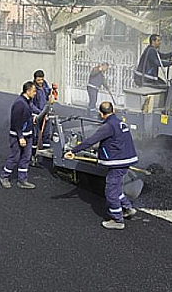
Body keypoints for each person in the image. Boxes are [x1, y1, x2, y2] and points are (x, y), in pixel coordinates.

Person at [64, 102, 139, 230]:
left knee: (110, 191)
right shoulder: (120, 123)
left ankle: (117, 219)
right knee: (116, 188)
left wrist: (73, 151)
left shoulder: (108, 126)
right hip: (126, 159)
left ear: (101, 114)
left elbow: (90, 140)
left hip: (117, 162)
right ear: (113, 110)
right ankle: (127, 208)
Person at [0, 81, 38, 189]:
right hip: (17, 136)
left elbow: (27, 115)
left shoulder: (28, 101)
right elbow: (16, 122)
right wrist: (20, 137)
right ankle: (4, 176)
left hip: (28, 135)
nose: (35, 93)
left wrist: (33, 117)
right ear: (28, 91)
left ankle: (22, 180)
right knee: (15, 157)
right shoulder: (19, 103)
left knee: (26, 157)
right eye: (34, 91)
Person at [31, 69, 54, 151]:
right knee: (35, 135)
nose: (40, 81)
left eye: (42, 79)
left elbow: (48, 92)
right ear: (35, 79)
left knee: (46, 133)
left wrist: (52, 91)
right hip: (36, 115)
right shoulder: (32, 89)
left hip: (45, 114)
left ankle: (45, 150)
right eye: (38, 80)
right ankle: (33, 152)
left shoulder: (44, 85)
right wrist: (39, 112)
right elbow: (31, 104)